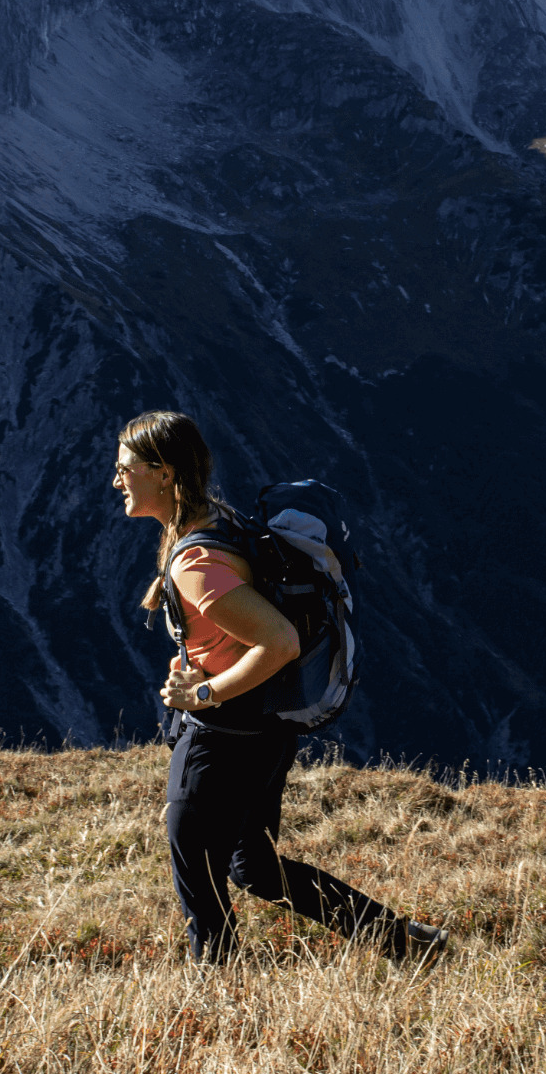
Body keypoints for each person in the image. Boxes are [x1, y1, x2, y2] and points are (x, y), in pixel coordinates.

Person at [114, 409, 447, 965]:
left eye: (126, 469)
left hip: (225, 735)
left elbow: (280, 641)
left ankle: (215, 999)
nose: (117, 480)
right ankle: (403, 942)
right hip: (266, 729)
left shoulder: (194, 559)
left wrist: (204, 694)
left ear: (164, 472)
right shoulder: (214, 522)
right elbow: (247, 638)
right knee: (254, 867)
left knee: (196, 865)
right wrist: (206, 668)